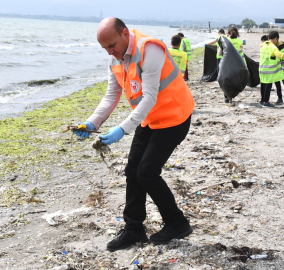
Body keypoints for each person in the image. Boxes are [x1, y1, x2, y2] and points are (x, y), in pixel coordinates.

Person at [75, 17, 195, 252]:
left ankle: (177, 223)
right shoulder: (115, 58)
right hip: (150, 119)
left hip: (174, 117)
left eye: (112, 45)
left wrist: (123, 129)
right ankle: (134, 229)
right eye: (105, 48)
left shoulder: (149, 49)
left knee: (147, 172)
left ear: (125, 34)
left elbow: (149, 96)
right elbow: (112, 94)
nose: (110, 52)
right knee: (132, 171)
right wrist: (92, 123)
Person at [259, 31, 284, 107]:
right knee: (268, 86)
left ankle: (262, 100)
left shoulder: (262, 45)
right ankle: (266, 102)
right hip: (270, 70)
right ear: (276, 38)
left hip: (262, 69)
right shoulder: (273, 47)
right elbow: (280, 55)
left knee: (263, 85)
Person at [260, 34, 284, 105]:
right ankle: (264, 100)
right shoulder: (269, 46)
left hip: (276, 69)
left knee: (277, 83)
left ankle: (279, 98)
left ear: (276, 39)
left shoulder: (281, 48)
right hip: (270, 69)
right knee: (265, 84)